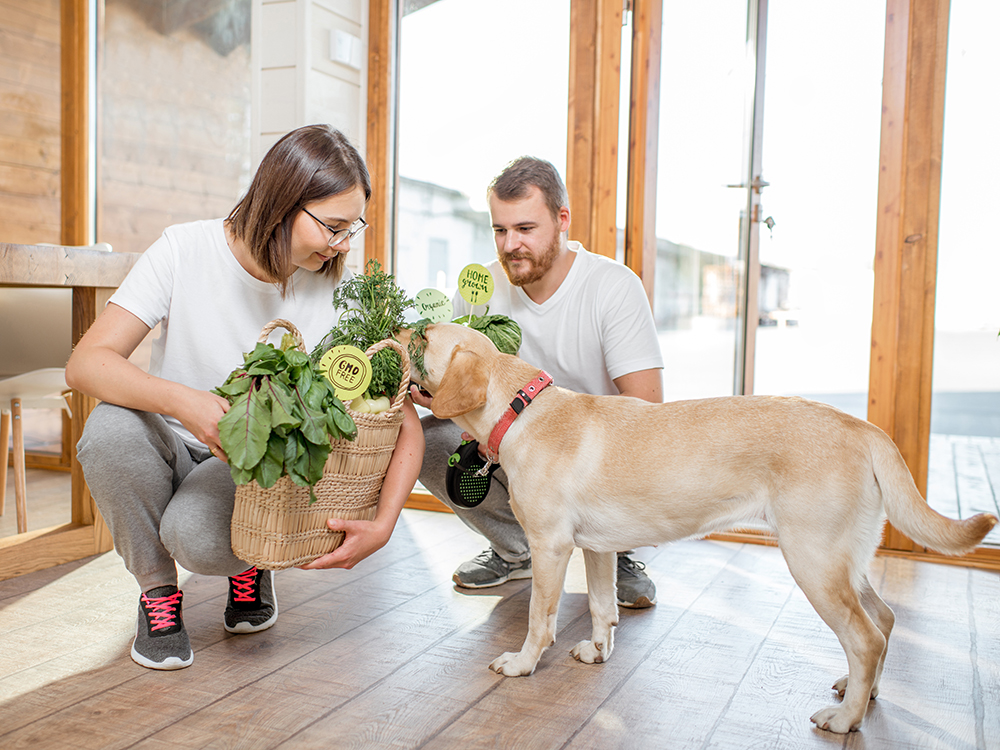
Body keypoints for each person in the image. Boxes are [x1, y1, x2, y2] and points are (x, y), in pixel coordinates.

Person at [66, 124, 424, 671]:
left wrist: (384, 525)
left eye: (353, 228)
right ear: (282, 203)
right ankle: (158, 593)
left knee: (196, 539)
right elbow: (86, 363)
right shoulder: (184, 249)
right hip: (173, 436)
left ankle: (250, 563)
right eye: (332, 227)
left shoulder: (335, 291)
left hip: (249, 467)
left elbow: (402, 419)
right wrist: (186, 403)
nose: (343, 245)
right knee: (109, 432)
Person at [412, 156, 664, 608]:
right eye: (500, 230)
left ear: (562, 219)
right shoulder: (480, 289)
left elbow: (646, 406)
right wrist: (443, 401)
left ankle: (614, 548)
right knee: (430, 439)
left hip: (594, 465)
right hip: (510, 454)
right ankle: (517, 550)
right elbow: (460, 389)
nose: (510, 245)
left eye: (525, 228)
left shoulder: (612, 286)